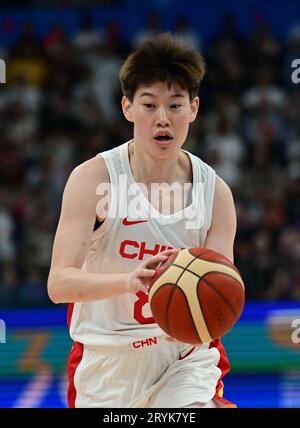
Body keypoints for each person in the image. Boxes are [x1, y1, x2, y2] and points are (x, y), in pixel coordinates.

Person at [47, 33, 237, 408]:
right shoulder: (94, 179)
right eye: (149, 105)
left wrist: (205, 300)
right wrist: (129, 281)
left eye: (175, 105)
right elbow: (59, 284)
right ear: (127, 108)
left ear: (194, 109)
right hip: (106, 360)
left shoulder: (215, 193)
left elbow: (222, 288)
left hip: (183, 356)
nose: (162, 118)